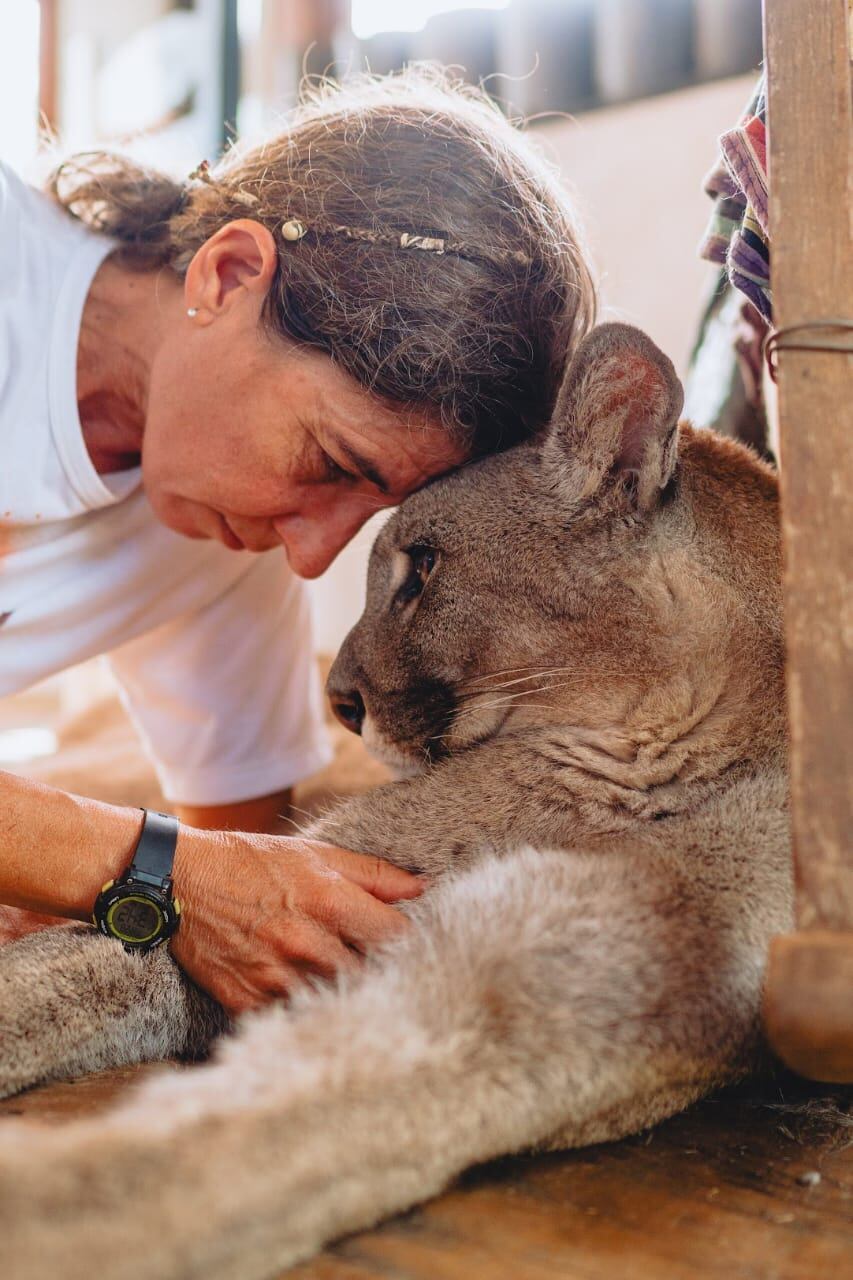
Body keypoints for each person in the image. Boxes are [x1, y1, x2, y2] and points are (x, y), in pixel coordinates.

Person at [0, 69, 596, 1013]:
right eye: (330, 460)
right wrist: (146, 871)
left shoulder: (217, 542)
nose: (311, 555)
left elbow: (250, 871)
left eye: (370, 514)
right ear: (228, 274)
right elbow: (197, 876)